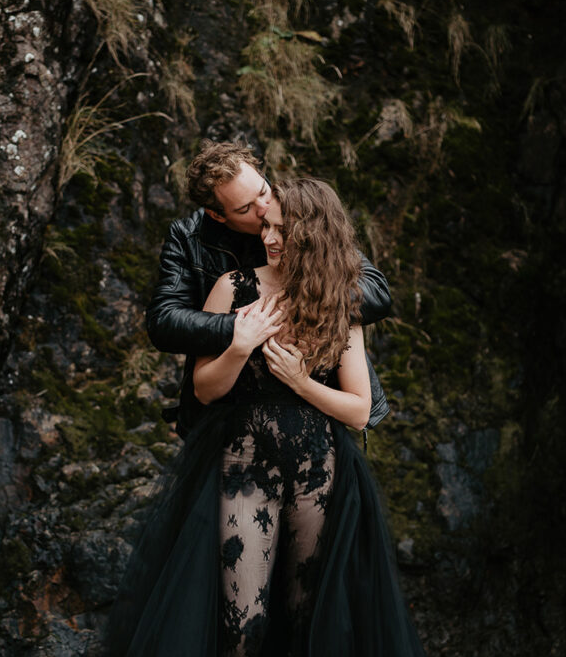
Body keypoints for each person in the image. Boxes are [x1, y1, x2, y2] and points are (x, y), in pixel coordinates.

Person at [0, 178, 514, 657]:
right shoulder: (233, 288)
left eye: (281, 230)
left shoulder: (338, 301)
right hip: (243, 460)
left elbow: (358, 410)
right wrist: (240, 345)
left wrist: (302, 382)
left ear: (312, 234)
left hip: (317, 464)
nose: (268, 238)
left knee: (306, 623)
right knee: (244, 621)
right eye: (264, 227)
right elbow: (203, 389)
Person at [145, 139, 391, 438]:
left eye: (263, 190)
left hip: (316, 415)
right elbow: (164, 322)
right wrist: (244, 326)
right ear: (218, 216)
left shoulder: (300, 211)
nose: (264, 209)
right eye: (246, 208)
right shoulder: (188, 239)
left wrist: (296, 309)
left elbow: (376, 291)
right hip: (230, 417)